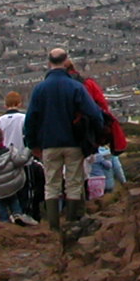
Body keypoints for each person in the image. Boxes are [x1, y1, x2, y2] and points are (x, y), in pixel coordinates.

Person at [24, 47, 103, 232]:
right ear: (66, 61)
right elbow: (94, 113)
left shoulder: (40, 89)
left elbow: (31, 119)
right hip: (74, 142)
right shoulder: (76, 87)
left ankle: (53, 227)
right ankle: (71, 224)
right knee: (74, 183)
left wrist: (32, 143)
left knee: (51, 184)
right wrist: (96, 136)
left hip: (49, 143)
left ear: (48, 63)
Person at [0, 90, 44, 220]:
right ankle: (26, 213)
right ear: (20, 103)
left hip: (6, 160)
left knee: (10, 190)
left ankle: (11, 214)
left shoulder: (0, 120)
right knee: (26, 188)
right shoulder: (24, 118)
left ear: (5, 104)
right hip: (23, 158)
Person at [0, 124, 38, 225]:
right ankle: (18, 215)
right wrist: (29, 148)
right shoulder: (10, 152)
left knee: (0, 203)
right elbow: (21, 160)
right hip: (12, 185)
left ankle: (4, 220)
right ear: (2, 139)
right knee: (13, 199)